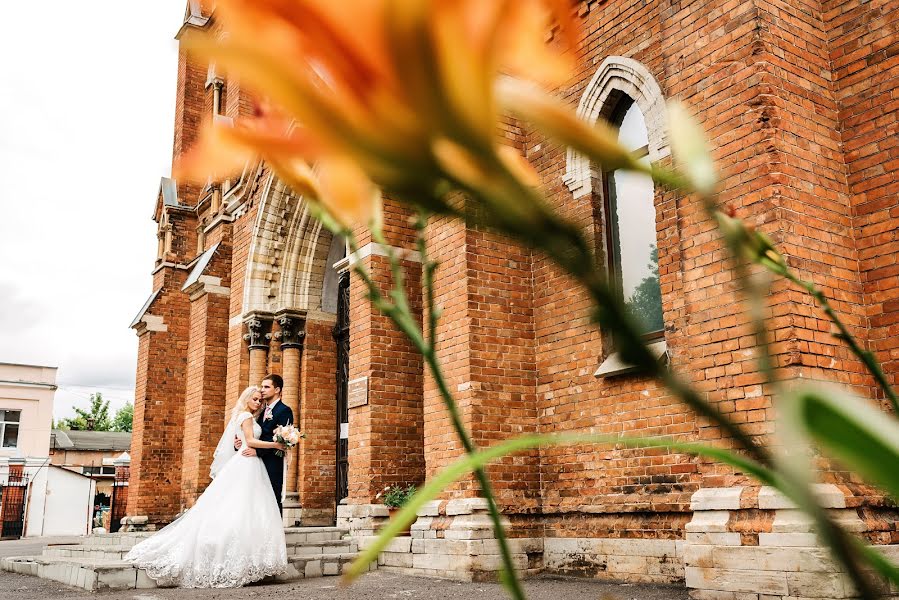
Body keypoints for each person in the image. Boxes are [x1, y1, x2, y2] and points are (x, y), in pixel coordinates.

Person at [124, 386, 288, 588]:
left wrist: (245, 444)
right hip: (246, 463)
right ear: (246, 399)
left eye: (259, 400)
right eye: (254, 399)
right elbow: (252, 440)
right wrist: (275, 445)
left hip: (251, 463)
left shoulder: (250, 417)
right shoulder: (245, 416)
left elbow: (244, 441)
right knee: (239, 504)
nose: (258, 402)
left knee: (249, 507)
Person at [235, 374, 293, 514]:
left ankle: (275, 535)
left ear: (277, 389)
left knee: (272, 497)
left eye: (267, 387)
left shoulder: (284, 410)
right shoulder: (259, 411)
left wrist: (258, 451)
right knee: (256, 498)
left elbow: (283, 440)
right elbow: (251, 433)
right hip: (254, 462)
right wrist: (239, 443)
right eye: (262, 386)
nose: (262, 390)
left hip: (272, 461)